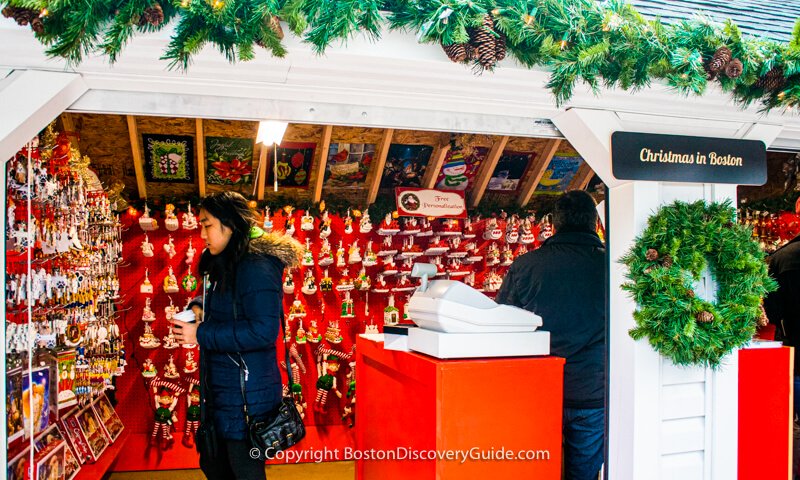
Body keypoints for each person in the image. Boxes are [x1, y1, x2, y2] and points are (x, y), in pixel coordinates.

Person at [172, 191, 302, 480]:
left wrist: (200, 334)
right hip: (226, 388)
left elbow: (263, 331)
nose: (202, 232)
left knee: (242, 471)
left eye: (207, 224)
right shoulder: (227, 260)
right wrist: (198, 306)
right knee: (215, 464)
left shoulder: (256, 265)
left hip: (246, 397)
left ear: (228, 225)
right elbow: (222, 299)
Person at [496, 190, 606, 480]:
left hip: (540, 390)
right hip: (593, 391)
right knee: (582, 473)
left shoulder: (525, 266)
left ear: (554, 225)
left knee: (535, 468)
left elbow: (502, 324)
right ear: (595, 223)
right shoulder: (612, 267)